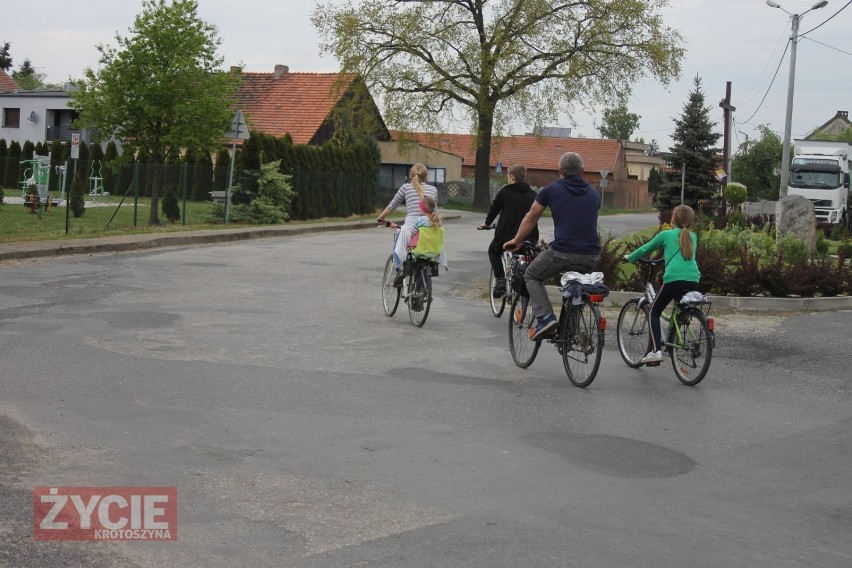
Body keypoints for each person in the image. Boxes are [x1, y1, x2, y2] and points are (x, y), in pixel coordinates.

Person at [503, 152, 600, 341]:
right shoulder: (594, 194)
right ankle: (571, 331)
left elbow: (531, 218)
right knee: (575, 283)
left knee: (531, 274)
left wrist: (516, 240)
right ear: (582, 171)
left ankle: (546, 317)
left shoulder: (550, 190)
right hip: (591, 256)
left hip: (562, 251)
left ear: (560, 171)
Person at [624, 204, 701, 364]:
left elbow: (646, 248)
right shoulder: (693, 237)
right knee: (680, 307)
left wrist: (629, 257)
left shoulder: (666, 235)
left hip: (674, 278)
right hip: (693, 279)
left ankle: (656, 351)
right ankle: (676, 332)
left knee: (654, 311)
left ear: (673, 218)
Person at [478, 164, 539, 298]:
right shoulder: (533, 194)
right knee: (527, 257)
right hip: (529, 237)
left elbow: (494, 209)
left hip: (506, 236)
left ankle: (500, 279)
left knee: (493, 251)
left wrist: (487, 224)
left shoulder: (505, 192)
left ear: (512, 176)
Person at [377, 163, 439, 285]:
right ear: (426, 177)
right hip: (429, 227)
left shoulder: (405, 187)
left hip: (411, 226)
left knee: (400, 241)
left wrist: (381, 217)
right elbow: (434, 209)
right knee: (425, 254)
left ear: (410, 176)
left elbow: (392, 206)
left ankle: (400, 268)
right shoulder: (433, 190)